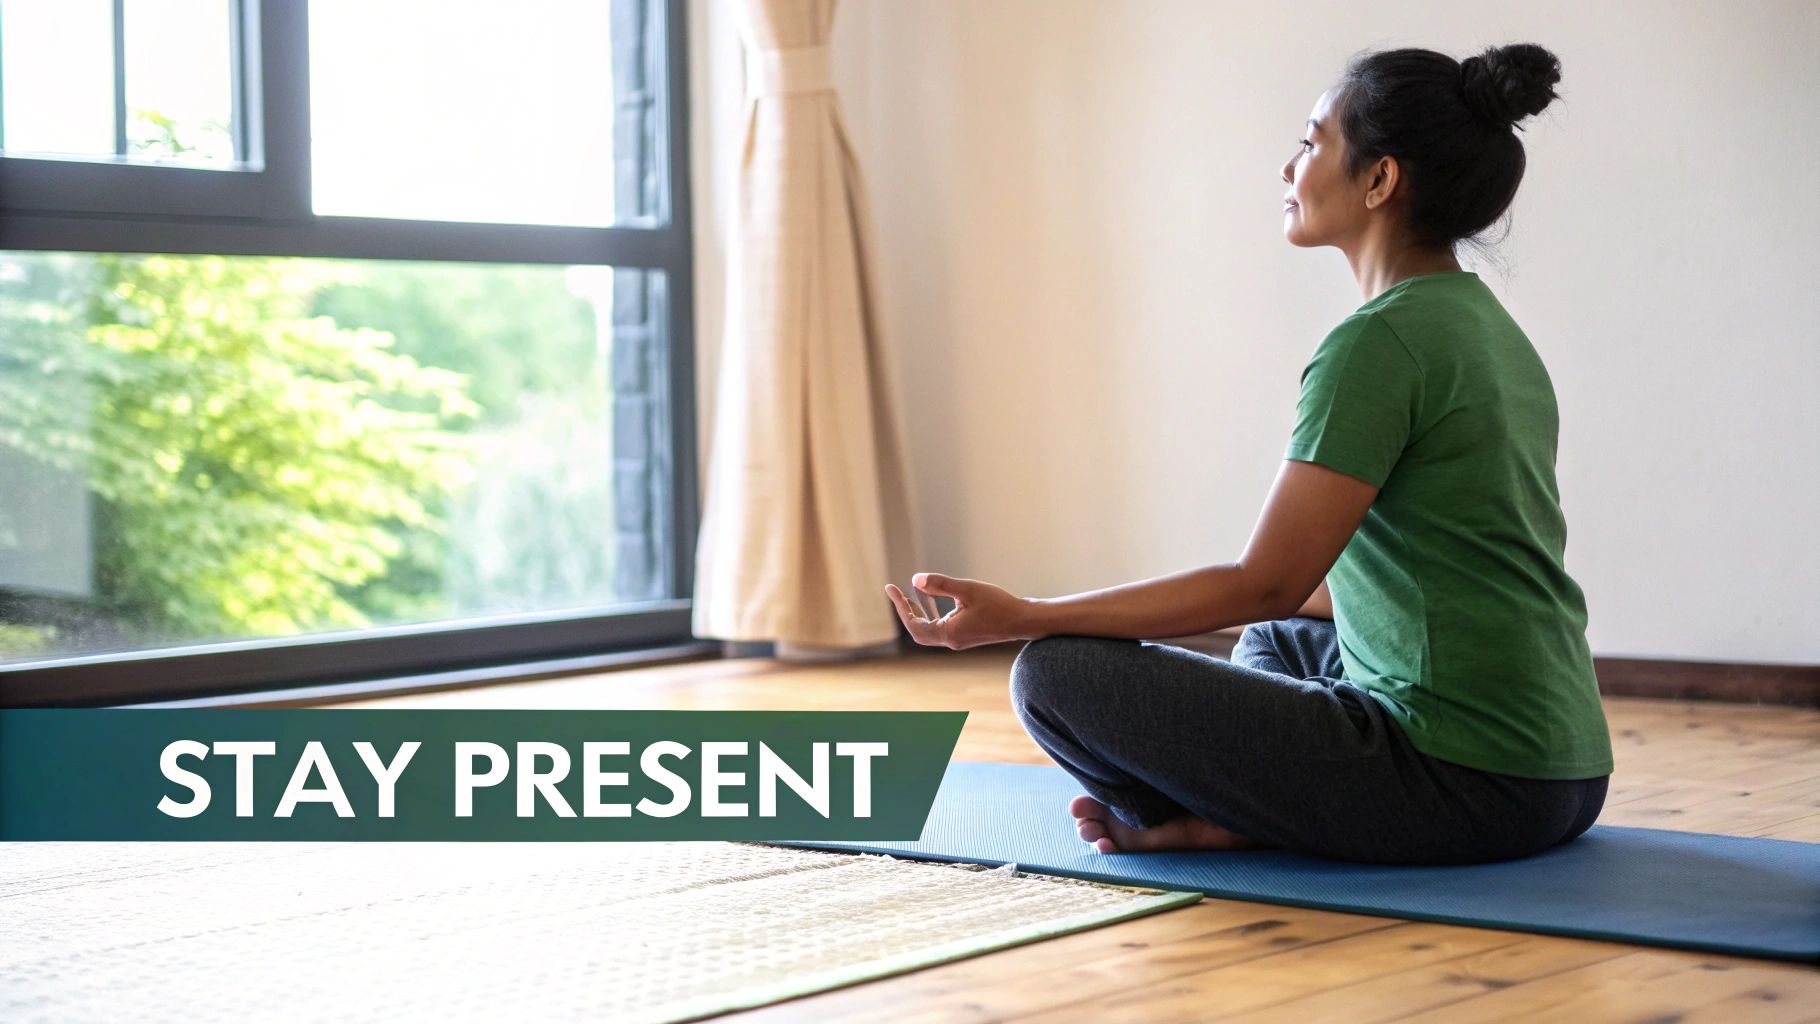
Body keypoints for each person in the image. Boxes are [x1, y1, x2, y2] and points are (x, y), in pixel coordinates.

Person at [883, 43, 1613, 866]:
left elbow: (1265, 580)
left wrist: (1026, 616)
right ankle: (1257, 812)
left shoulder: (1378, 344)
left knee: (1052, 676)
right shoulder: (1488, 330)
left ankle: (1232, 815)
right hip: (1564, 772)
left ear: (1379, 179)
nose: (1289, 167)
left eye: (1311, 142)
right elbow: (1358, 588)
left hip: (1463, 784)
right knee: (1275, 641)